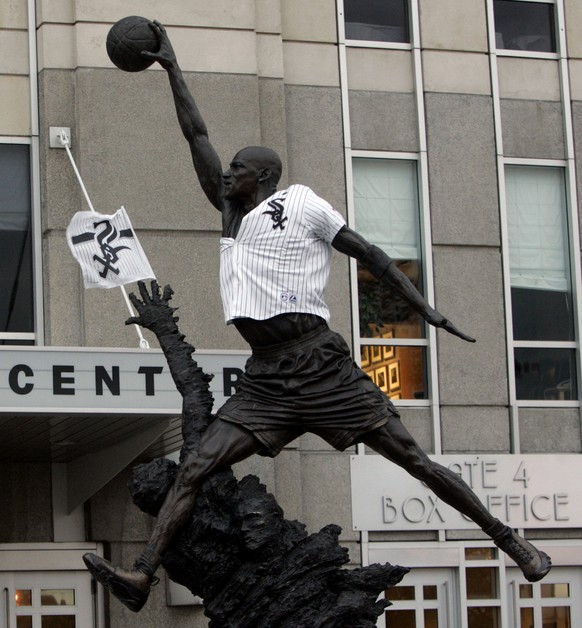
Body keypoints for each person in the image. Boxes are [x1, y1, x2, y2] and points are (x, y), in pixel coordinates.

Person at [83, 21, 551, 612]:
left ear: (267, 178)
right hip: (269, 378)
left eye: (239, 169)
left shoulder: (300, 203)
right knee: (195, 466)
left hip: (321, 365)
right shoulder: (231, 217)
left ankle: (513, 544)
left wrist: (425, 308)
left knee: (415, 462)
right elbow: (195, 134)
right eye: (227, 168)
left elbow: (371, 254)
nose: (227, 173)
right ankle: (141, 576)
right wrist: (172, 69)